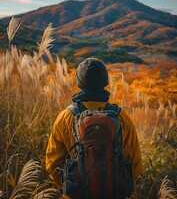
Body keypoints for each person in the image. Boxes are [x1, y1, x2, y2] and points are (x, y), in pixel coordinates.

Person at [46, 57, 143, 199]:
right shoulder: (121, 117)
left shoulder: (65, 117)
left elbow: (53, 163)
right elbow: (135, 164)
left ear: (79, 82)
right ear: (105, 81)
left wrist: (68, 187)